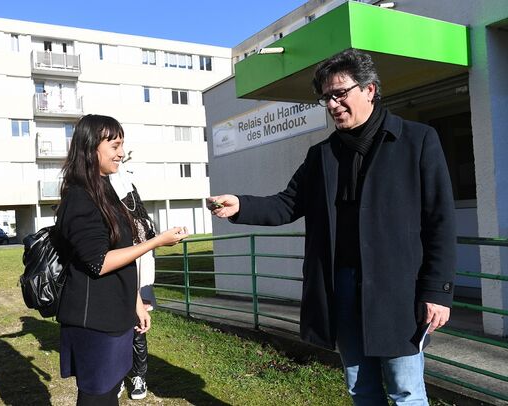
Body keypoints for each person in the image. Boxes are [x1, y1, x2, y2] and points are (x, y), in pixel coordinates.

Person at [208, 49, 456, 405]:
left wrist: (438, 291)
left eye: (340, 93)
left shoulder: (417, 140)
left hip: (398, 289)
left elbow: (440, 220)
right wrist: (241, 205)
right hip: (341, 288)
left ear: (369, 89)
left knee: (406, 391)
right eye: (326, 97)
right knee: (360, 388)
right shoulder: (321, 154)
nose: (332, 103)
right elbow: (287, 204)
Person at [56, 114, 189, 405]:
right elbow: (99, 262)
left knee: (108, 394)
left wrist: (136, 302)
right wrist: (156, 241)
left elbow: (122, 253)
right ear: (91, 148)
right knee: (97, 397)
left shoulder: (105, 189)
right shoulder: (80, 197)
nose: (121, 153)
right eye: (115, 145)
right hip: (94, 322)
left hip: (115, 315)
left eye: (122, 145)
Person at [109, 161, 160, 401]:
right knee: (117, 331)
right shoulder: (109, 219)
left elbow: (147, 255)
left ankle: (139, 376)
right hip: (116, 284)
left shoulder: (142, 222)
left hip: (140, 281)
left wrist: (145, 292)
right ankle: (117, 376)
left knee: (138, 330)